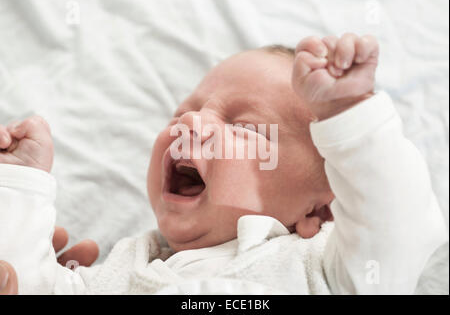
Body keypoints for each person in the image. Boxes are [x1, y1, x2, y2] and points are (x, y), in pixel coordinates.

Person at [0, 34, 447, 294]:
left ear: (319, 211)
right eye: (181, 114)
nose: (191, 123)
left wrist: (350, 117)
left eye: (246, 128)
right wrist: (19, 186)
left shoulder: (324, 268)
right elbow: (24, 285)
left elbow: (398, 224)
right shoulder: (123, 268)